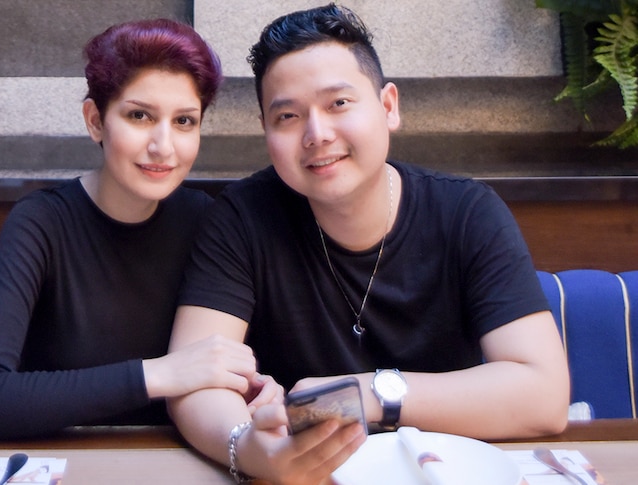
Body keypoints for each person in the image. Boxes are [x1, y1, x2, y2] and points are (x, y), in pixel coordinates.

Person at [167, 4, 570, 484]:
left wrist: (365, 394)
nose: (317, 135)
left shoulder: (467, 212)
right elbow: (192, 379)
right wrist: (249, 447)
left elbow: (544, 396)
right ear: (267, 131)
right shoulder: (241, 217)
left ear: (388, 106)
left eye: (339, 104)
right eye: (289, 116)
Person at [0, 18, 266, 441]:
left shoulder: (208, 222)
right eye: (140, 115)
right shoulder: (42, 222)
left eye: (185, 121)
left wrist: (256, 386)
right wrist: (159, 374)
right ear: (96, 121)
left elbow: (226, 364)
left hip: (176, 460)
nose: (163, 145)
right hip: (61, 459)